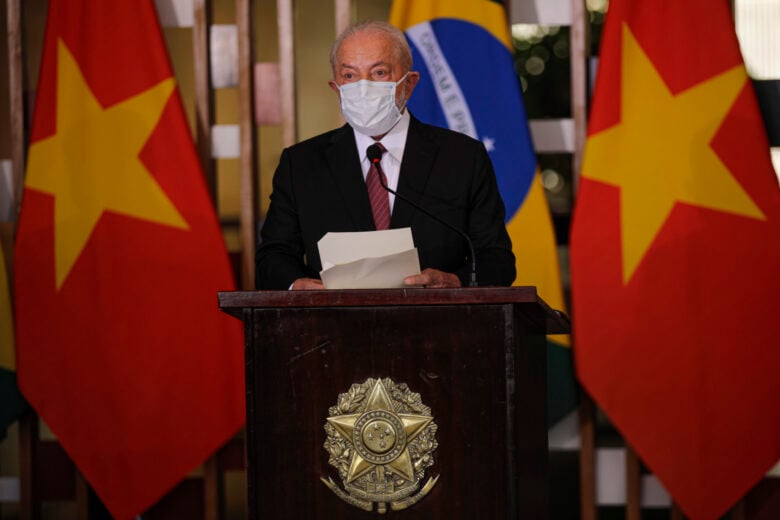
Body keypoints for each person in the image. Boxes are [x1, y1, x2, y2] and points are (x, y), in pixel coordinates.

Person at [255, 20, 515, 290]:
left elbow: (497, 259)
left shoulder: (463, 158)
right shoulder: (301, 164)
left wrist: (455, 281)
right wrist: (296, 285)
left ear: (410, 83)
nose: (363, 87)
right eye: (350, 76)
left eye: (379, 72)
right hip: (332, 325)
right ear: (336, 88)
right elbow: (272, 257)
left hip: (438, 324)